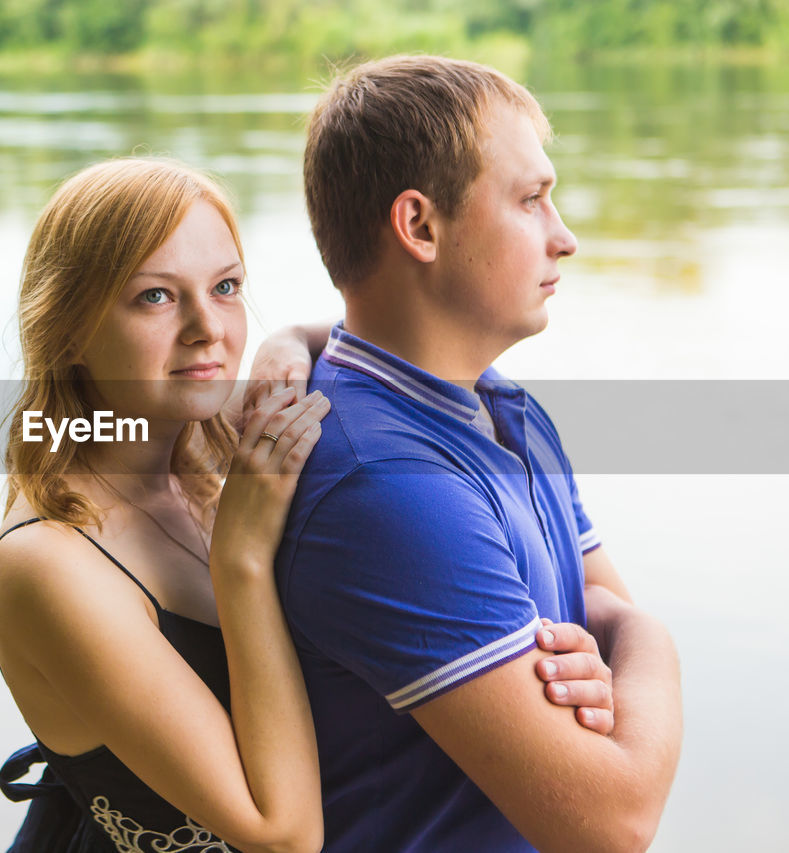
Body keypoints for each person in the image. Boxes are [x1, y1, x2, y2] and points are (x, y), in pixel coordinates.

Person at [0, 156, 627, 853]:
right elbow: (283, 834)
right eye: (155, 297)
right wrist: (243, 561)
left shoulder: (209, 440)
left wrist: (287, 341)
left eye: (226, 287)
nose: (208, 328)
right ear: (71, 327)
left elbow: (386, 332)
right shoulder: (49, 561)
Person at [268, 55, 684, 852]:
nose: (565, 238)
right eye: (531, 201)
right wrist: (652, 640)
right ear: (419, 226)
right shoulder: (385, 486)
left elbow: (599, 600)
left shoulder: (497, 403)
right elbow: (612, 819)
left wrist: (613, 636)